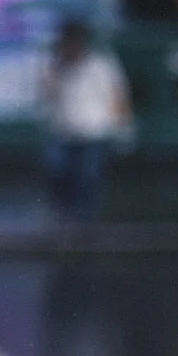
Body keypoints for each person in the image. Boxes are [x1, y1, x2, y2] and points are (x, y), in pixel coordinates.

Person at [42, 18, 132, 222]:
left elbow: (117, 96)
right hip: (62, 131)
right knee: (58, 176)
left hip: (93, 132)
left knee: (88, 179)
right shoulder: (54, 65)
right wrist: (59, 71)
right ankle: (62, 221)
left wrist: (124, 129)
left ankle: (87, 225)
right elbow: (46, 95)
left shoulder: (100, 65)